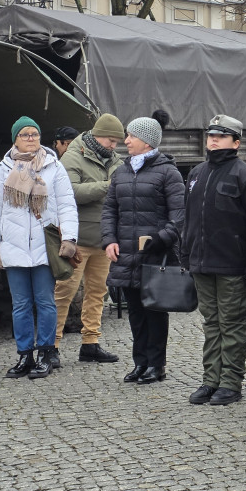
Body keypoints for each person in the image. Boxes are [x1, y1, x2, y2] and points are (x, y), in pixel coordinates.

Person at [0, 117, 78, 379]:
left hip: (44, 246)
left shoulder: (53, 166)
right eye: (24, 134)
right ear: (15, 138)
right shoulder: (2, 169)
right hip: (13, 247)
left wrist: (70, 238)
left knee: (46, 302)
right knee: (21, 305)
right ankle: (25, 354)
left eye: (34, 134)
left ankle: (46, 353)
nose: (31, 138)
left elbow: (67, 205)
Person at [183, 115, 246, 406]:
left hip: (233, 264)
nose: (213, 140)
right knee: (211, 324)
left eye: (221, 136)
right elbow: (188, 217)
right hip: (202, 262)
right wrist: (186, 253)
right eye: (211, 135)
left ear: (236, 142)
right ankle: (210, 380)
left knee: (233, 324)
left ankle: (230, 382)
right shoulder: (196, 173)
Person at [101, 117, 185, 385]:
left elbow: (179, 216)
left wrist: (161, 239)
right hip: (126, 254)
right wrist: (109, 240)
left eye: (131, 136)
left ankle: (156, 365)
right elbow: (109, 209)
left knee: (155, 312)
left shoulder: (168, 172)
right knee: (135, 313)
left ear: (147, 141)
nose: (126, 141)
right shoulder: (121, 172)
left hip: (155, 255)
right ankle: (140, 362)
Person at [50, 114, 125, 368]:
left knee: (97, 293)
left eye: (117, 142)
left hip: (103, 239)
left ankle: (90, 343)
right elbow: (70, 192)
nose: (113, 146)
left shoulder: (115, 160)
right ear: (97, 135)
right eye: (110, 140)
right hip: (77, 240)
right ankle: (52, 345)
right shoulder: (72, 156)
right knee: (64, 293)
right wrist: (107, 186)